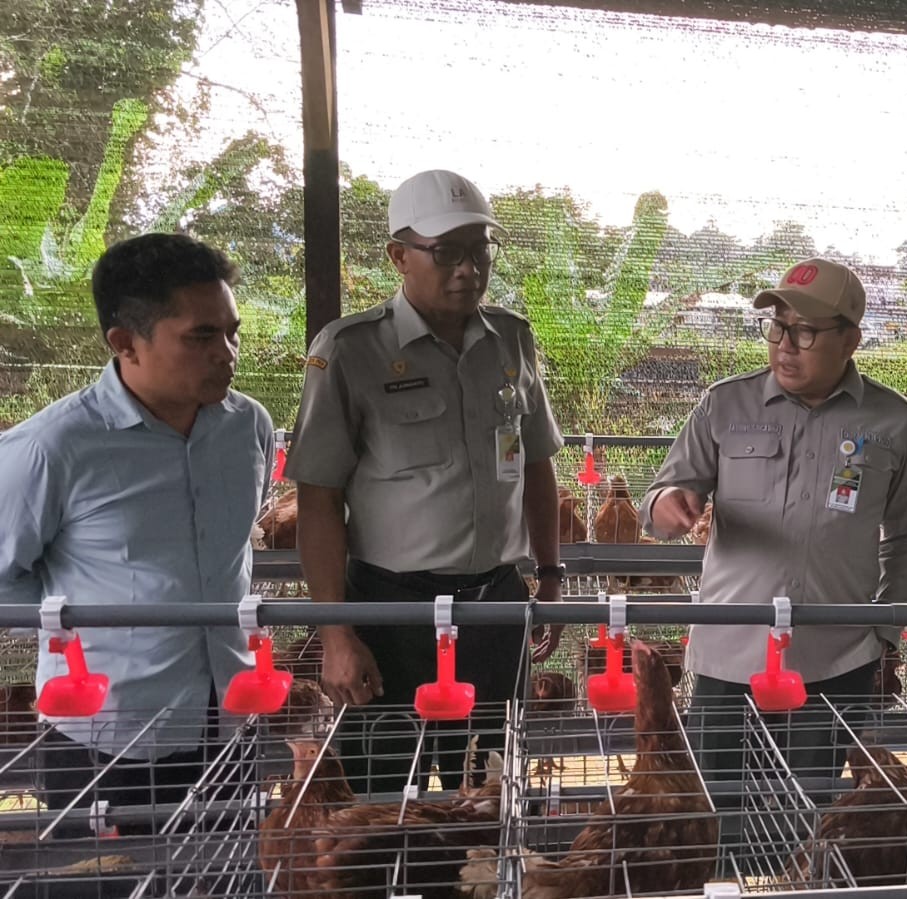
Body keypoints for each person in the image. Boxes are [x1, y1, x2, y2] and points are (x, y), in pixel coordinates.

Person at [287, 170, 566, 794]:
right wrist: (337, 635)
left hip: (496, 605)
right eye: (446, 253)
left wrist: (548, 577)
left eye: (480, 250)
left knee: (491, 791)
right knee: (387, 800)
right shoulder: (349, 351)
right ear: (398, 256)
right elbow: (318, 501)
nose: (468, 269)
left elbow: (539, 465)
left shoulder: (512, 340)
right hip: (391, 613)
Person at [0, 233, 272, 814]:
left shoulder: (247, 427)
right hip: (105, 733)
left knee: (227, 877)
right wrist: (83, 630)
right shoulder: (54, 448)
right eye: (201, 336)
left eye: (232, 331)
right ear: (125, 342)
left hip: (229, 718)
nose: (227, 352)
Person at [641, 257, 907, 781]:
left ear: (850, 340)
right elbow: (658, 500)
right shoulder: (725, 404)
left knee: (809, 826)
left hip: (834, 661)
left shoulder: (892, 420)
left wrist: (884, 631)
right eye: (776, 327)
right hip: (728, 659)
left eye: (804, 332)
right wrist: (667, 506)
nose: (784, 345)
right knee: (715, 822)